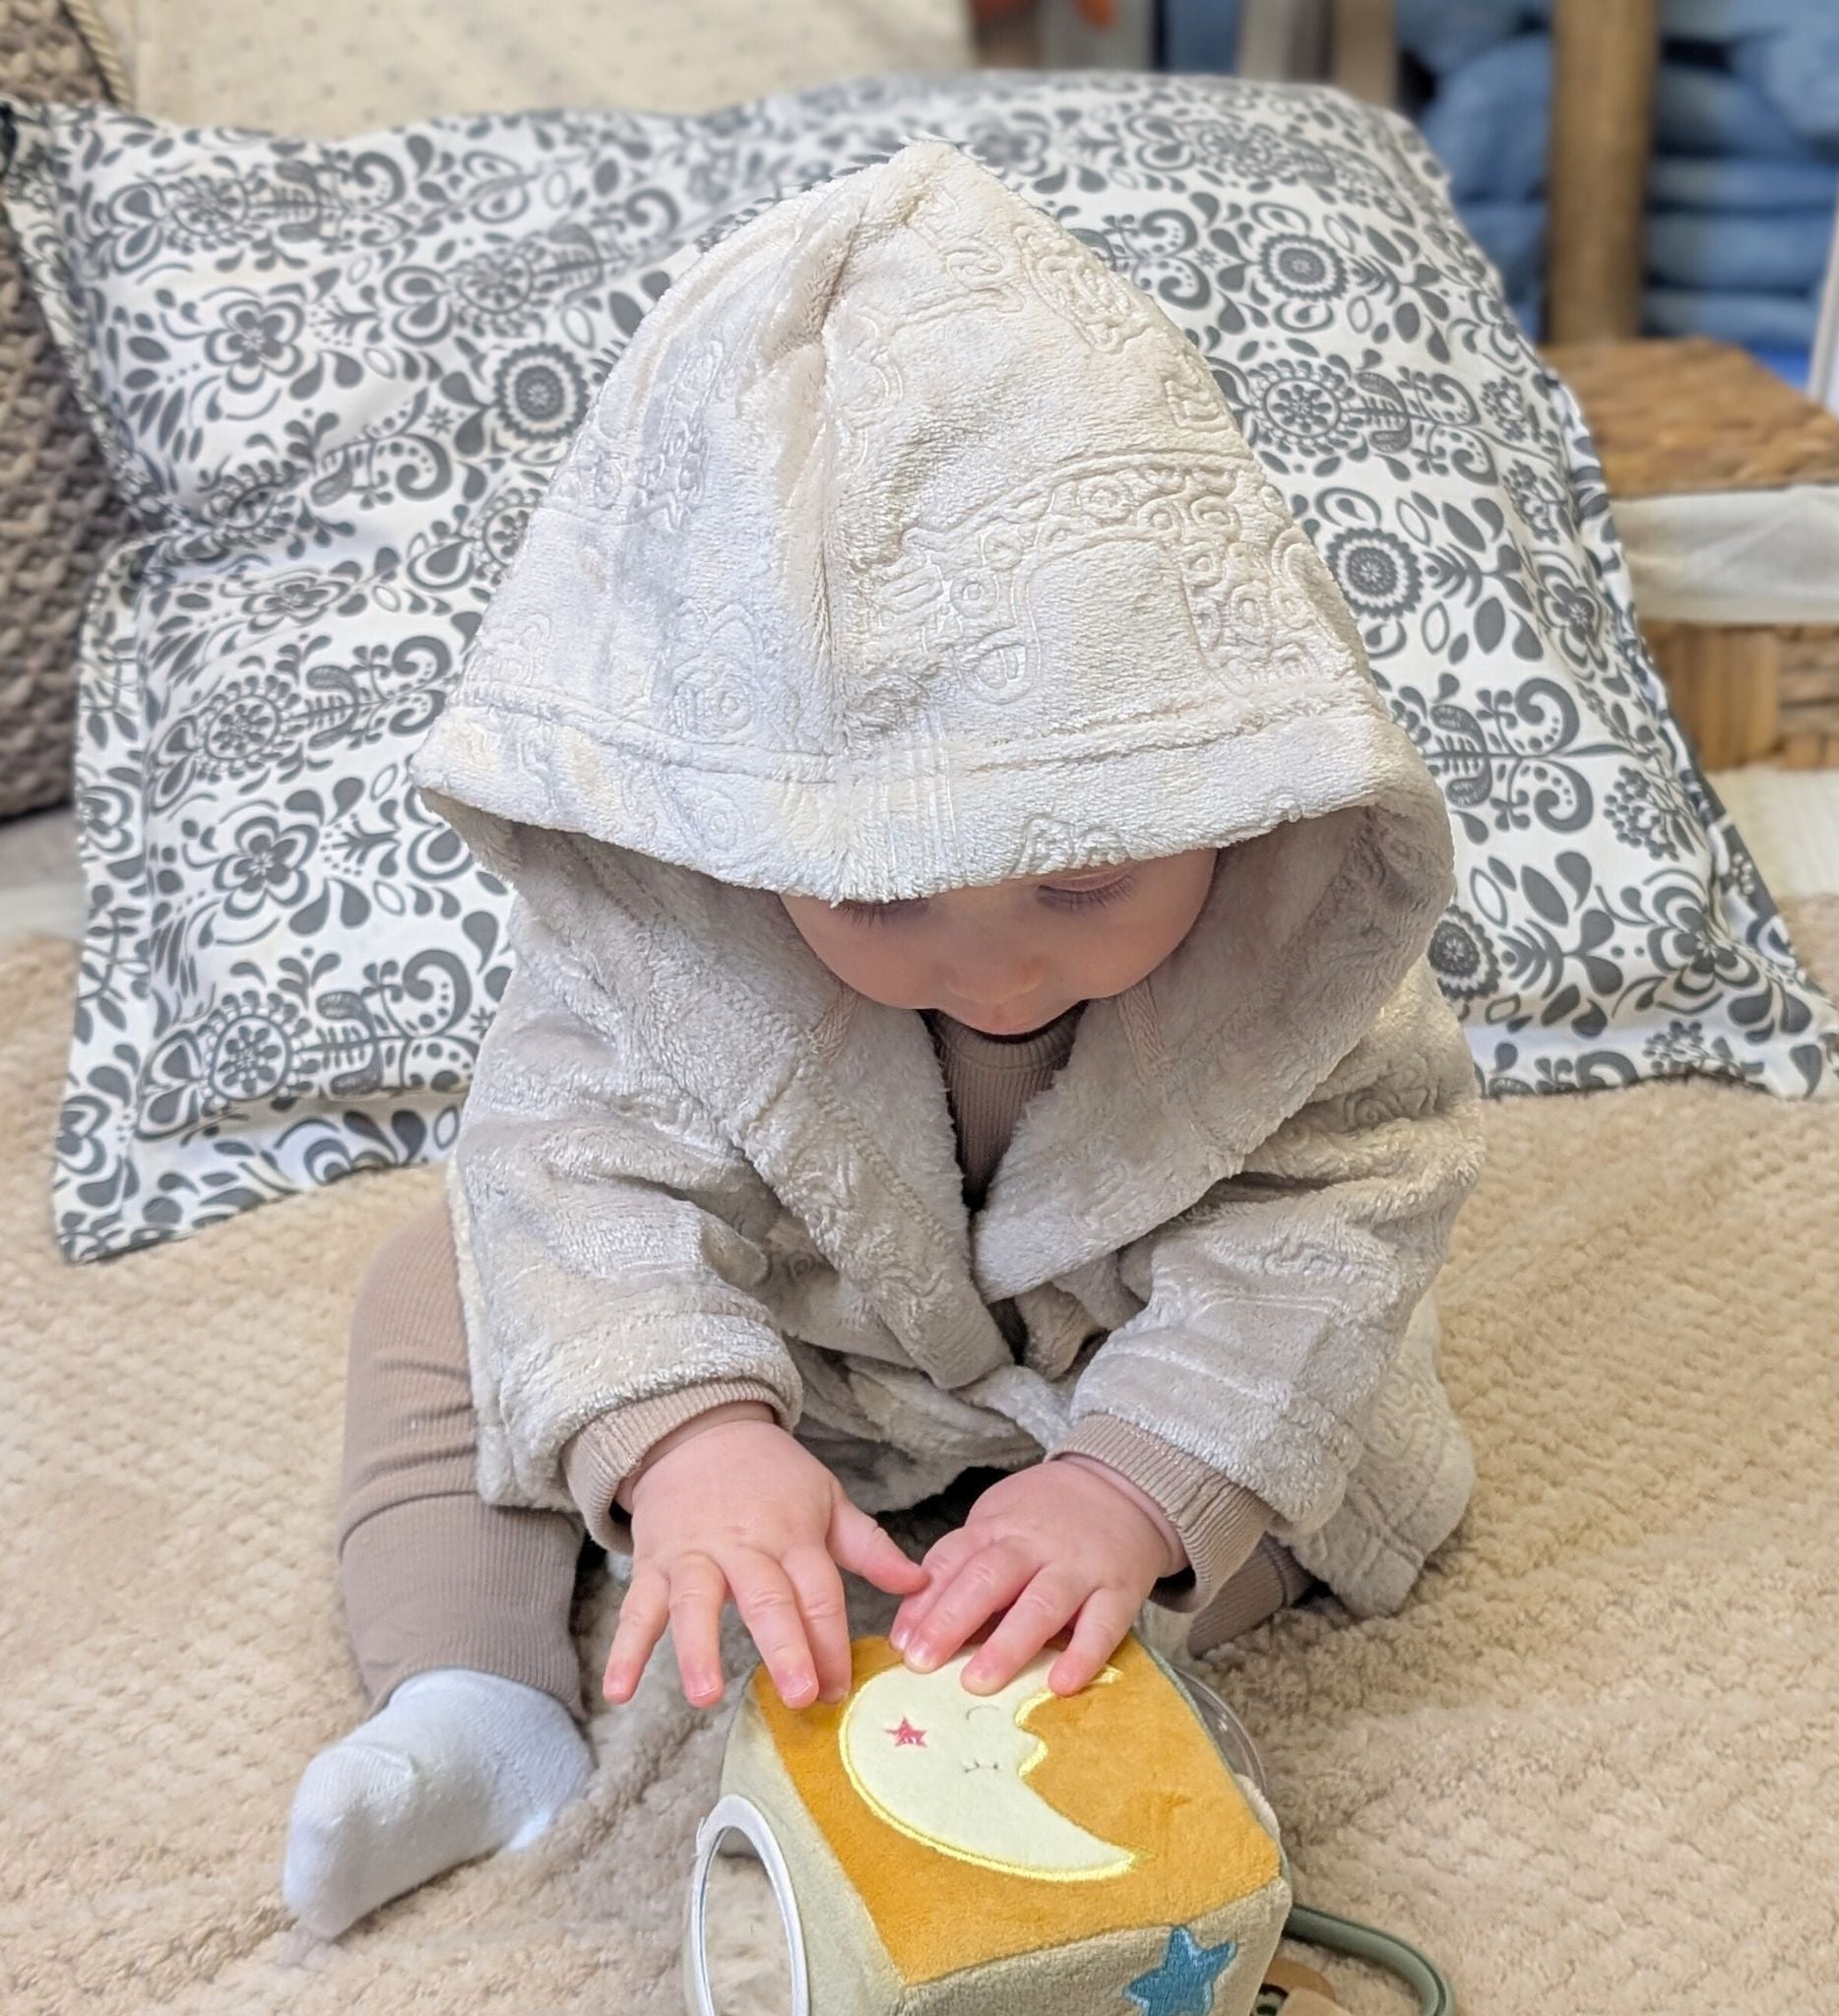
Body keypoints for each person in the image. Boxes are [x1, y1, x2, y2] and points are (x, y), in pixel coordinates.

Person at [282, 139, 1485, 1941]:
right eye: (883, 900)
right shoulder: (670, 928)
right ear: (734, 836)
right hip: (801, 1355)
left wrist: (1122, 1495)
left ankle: (998, 1669)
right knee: (442, 1282)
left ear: (1231, 794)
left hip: (1123, 1381)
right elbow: (576, 1172)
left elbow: (1331, 1217)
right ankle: (472, 1700)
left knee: (1278, 1461)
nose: (993, 967)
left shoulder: (1293, 942)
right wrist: (687, 1436)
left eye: (1082, 888)